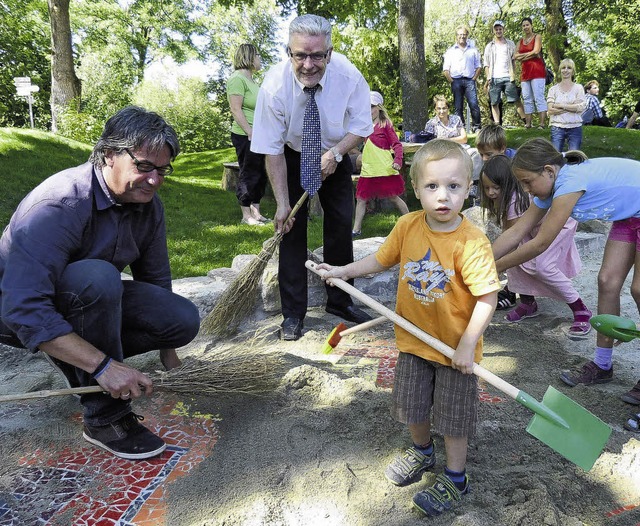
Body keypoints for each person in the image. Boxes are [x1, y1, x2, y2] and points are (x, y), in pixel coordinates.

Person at [0, 106, 201, 459]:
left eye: (162, 170)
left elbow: (154, 281)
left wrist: (170, 357)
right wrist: (104, 367)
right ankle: (104, 416)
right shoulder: (59, 204)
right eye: (144, 167)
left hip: (78, 299)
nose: (155, 180)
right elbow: (22, 307)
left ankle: (72, 356)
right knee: (97, 278)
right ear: (109, 154)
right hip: (14, 311)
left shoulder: (148, 205)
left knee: (180, 319)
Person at [318, 139, 500, 517]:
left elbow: (486, 299)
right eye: (432, 186)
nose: (442, 196)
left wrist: (468, 344)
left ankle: (455, 476)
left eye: (453, 186)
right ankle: (422, 452)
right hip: (413, 341)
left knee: (453, 417)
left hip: (454, 351)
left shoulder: (472, 243)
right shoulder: (407, 225)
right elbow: (380, 260)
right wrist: (342, 271)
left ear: (469, 188)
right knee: (412, 404)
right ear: (415, 190)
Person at [491, 138, 640, 426]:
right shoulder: (551, 187)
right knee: (607, 280)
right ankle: (602, 364)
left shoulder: (570, 183)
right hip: (630, 216)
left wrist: (493, 269)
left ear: (549, 171)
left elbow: (540, 243)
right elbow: (519, 229)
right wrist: (480, 261)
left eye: (527, 182)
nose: (526, 190)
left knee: (639, 289)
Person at [251, 14, 373, 341]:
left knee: (340, 225)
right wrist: (281, 203)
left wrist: (334, 155)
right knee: (292, 229)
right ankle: (293, 314)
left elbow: (362, 127)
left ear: (329, 53)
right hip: (291, 154)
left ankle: (340, 300)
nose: (308, 64)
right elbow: (271, 149)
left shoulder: (348, 76)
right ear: (288, 51)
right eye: (300, 55)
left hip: (335, 149)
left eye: (317, 55)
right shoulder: (274, 87)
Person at [479, 155, 591, 336]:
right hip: (533, 229)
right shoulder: (507, 197)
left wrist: (491, 265)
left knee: (542, 266)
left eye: (496, 187)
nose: (491, 192)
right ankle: (527, 302)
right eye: (486, 188)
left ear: (508, 183)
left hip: (558, 225)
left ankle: (579, 307)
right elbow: (513, 236)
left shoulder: (515, 198)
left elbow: (514, 233)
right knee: (514, 259)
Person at [352, 91, 409, 237]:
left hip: (383, 168)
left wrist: (397, 160)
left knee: (393, 197)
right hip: (369, 169)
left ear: (379, 107)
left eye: (371, 107)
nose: (368, 110)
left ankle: (410, 222)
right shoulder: (364, 126)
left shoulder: (385, 125)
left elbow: (397, 144)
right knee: (361, 199)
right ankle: (356, 229)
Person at [227, 43, 270, 225]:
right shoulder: (237, 79)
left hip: (258, 135)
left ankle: (256, 212)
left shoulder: (252, 81)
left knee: (261, 173)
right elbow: (236, 110)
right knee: (249, 172)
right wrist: (250, 132)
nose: (260, 59)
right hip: (246, 135)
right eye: (258, 55)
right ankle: (246, 215)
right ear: (249, 57)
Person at [475, 124, 517, 310]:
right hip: (511, 215)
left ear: (502, 149)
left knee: (518, 252)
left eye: (489, 155)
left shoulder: (514, 167)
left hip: (523, 217)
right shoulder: (492, 167)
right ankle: (514, 288)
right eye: (481, 154)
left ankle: (512, 290)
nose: (484, 159)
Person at [424, 95, 482, 199]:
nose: (441, 111)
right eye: (439, 108)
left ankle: (474, 186)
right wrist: (453, 139)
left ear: (448, 108)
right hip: (443, 152)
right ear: (435, 109)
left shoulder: (456, 119)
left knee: (476, 153)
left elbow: (464, 138)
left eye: (444, 108)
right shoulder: (431, 123)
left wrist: (445, 140)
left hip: (461, 148)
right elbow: (430, 143)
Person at [483, 21, 526, 126]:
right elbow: (486, 64)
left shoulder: (510, 44)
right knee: (494, 102)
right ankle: (497, 124)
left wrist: (514, 75)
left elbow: (514, 60)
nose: (498, 31)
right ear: (494, 31)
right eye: (496, 29)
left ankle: (526, 121)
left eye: (500, 29)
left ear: (503, 30)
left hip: (508, 76)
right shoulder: (489, 46)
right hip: (494, 78)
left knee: (516, 99)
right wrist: (488, 77)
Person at [442, 25, 482, 132]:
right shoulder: (450, 51)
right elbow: (446, 69)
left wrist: (474, 78)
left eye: (464, 34)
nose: (462, 37)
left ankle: (477, 127)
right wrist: (451, 80)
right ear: (456, 36)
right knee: (458, 106)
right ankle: (460, 128)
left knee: (473, 104)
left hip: (469, 80)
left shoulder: (473, 50)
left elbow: (479, 66)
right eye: (460, 34)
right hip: (456, 80)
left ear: (467, 35)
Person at [514, 17, 548, 129]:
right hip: (525, 73)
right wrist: (531, 54)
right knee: (527, 98)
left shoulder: (537, 37)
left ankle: (542, 124)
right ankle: (528, 124)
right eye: (523, 25)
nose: (525, 27)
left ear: (531, 25)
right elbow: (515, 56)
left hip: (537, 71)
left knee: (539, 97)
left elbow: (537, 51)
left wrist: (523, 56)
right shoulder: (520, 41)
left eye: (527, 25)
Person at [546, 58, 586, 151]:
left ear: (573, 71)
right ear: (560, 70)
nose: (566, 70)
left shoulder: (579, 88)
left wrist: (559, 105)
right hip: (557, 128)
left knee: (574, 158)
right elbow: (550, 110)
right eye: (563, 68)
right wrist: (572, 106)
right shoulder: (553, 89)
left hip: (575, 127)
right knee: (555, 157)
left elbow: (580, 108)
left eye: (569, 68)